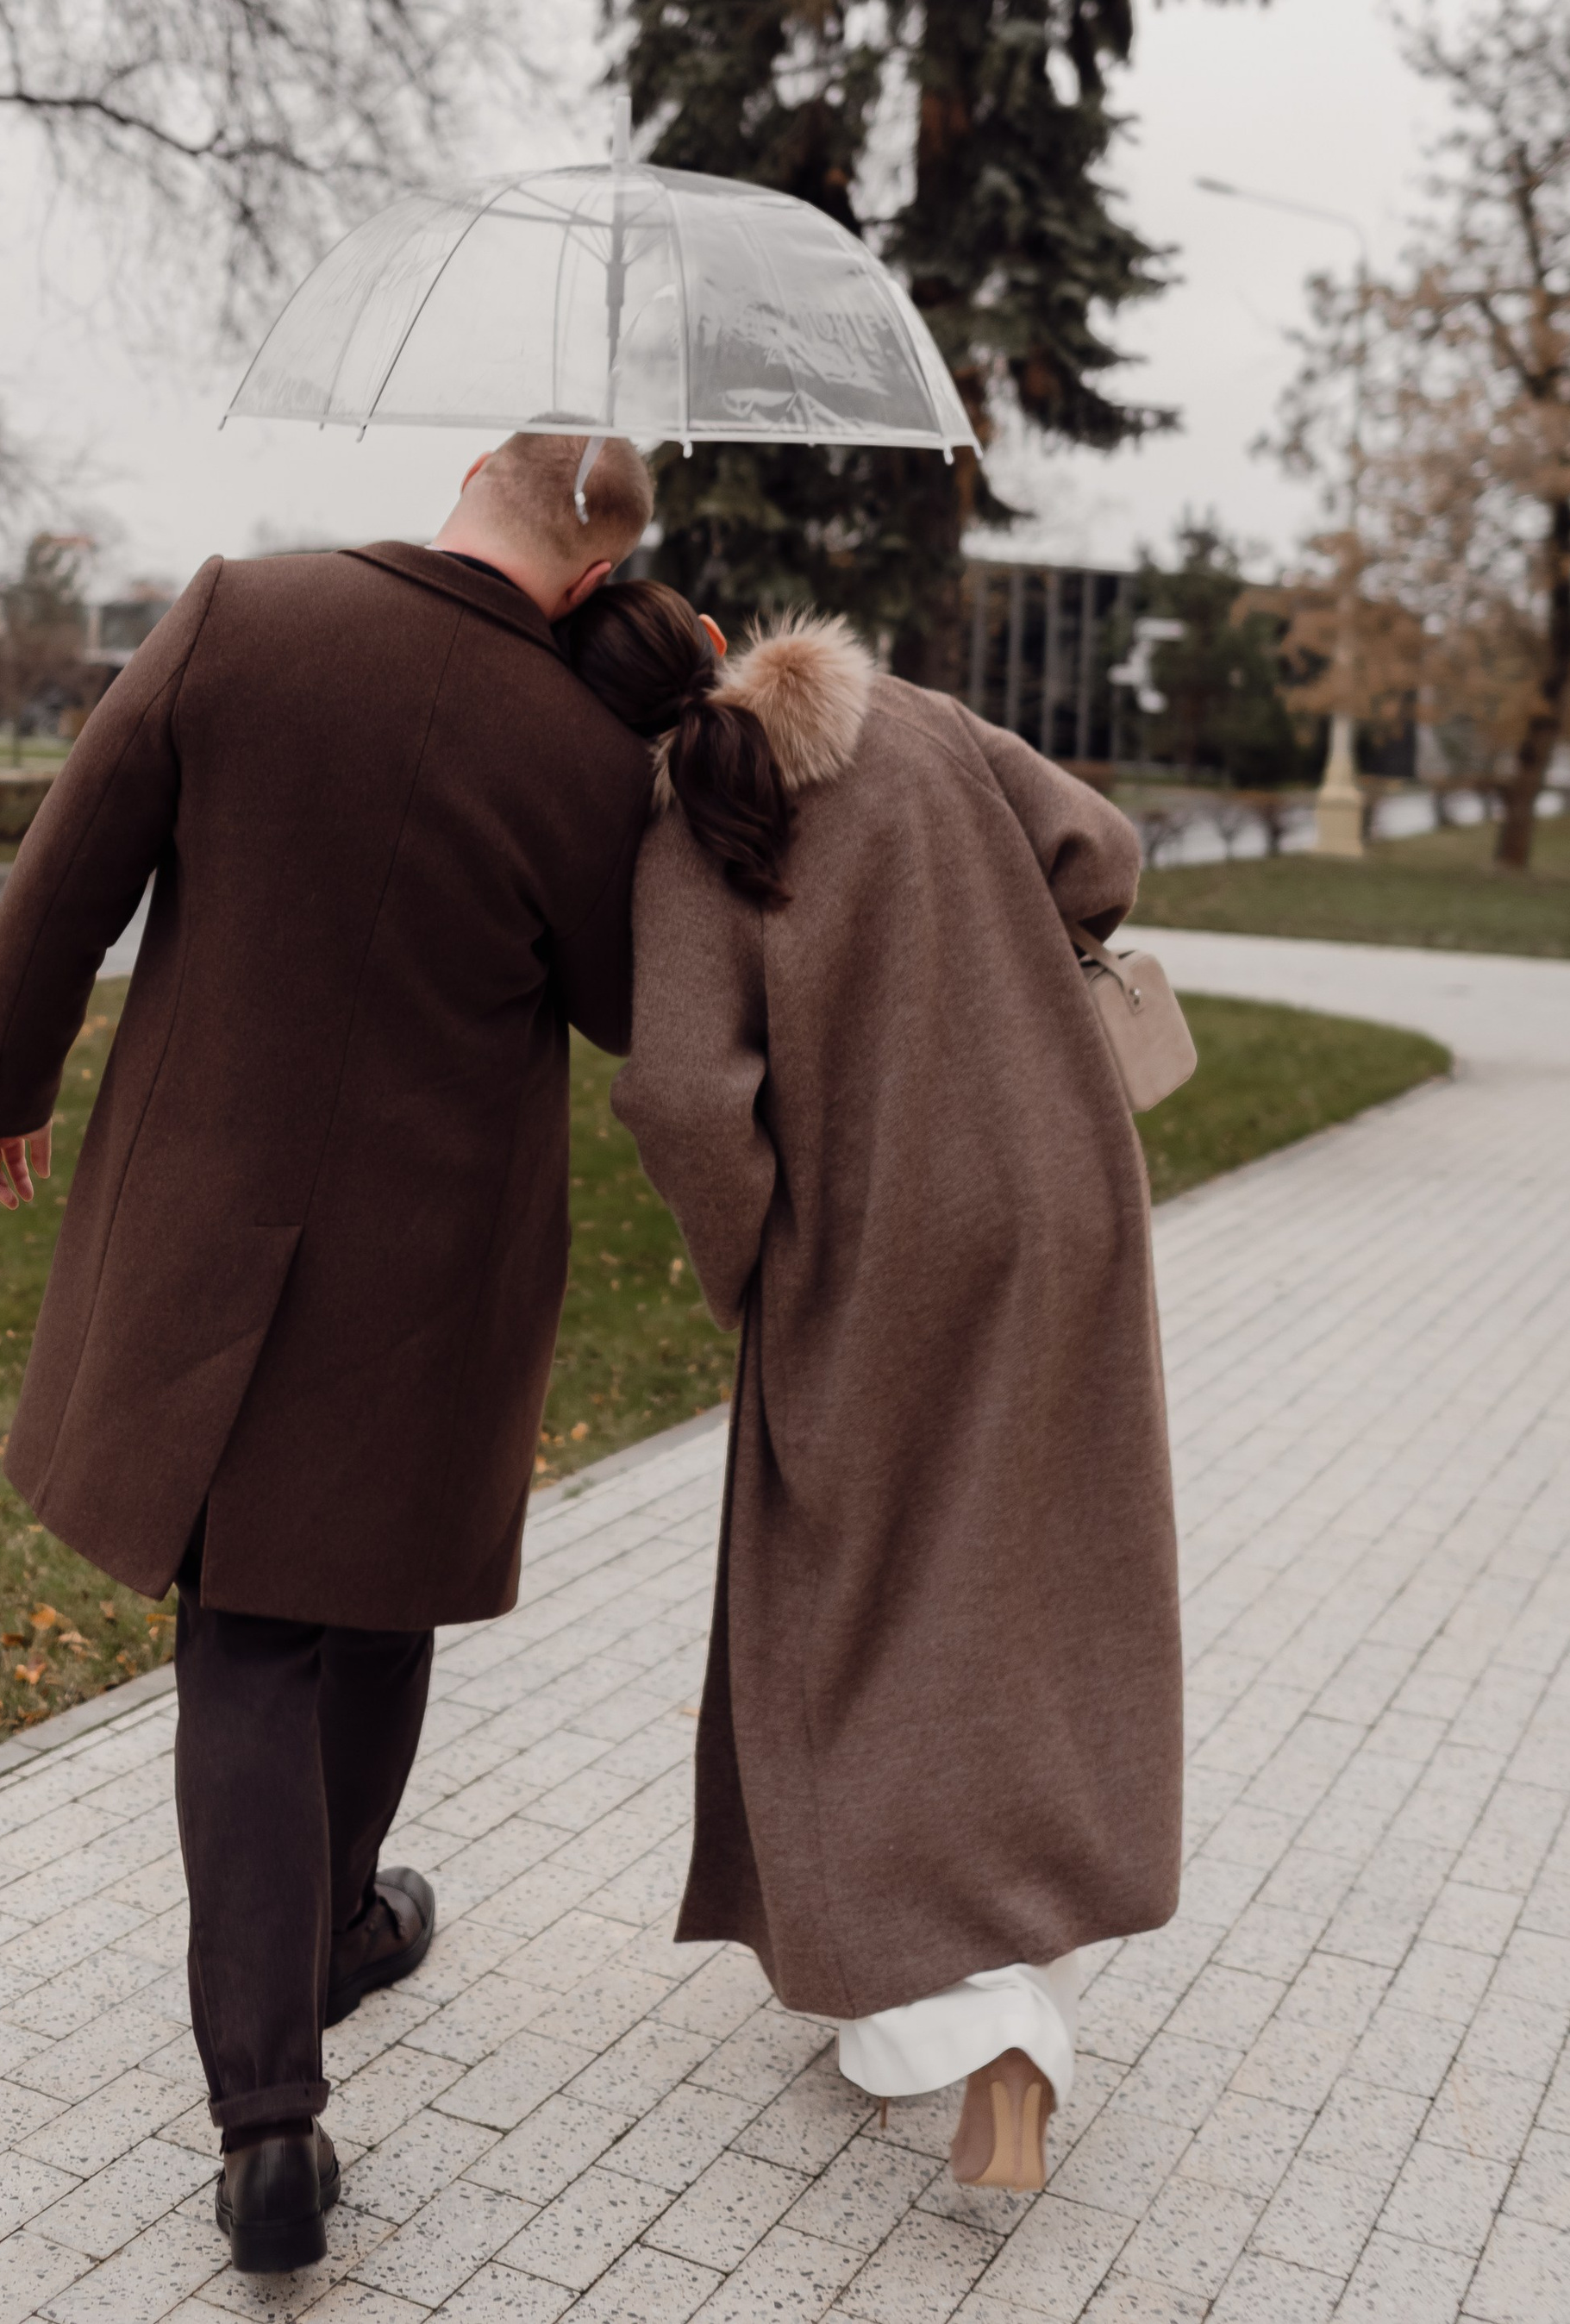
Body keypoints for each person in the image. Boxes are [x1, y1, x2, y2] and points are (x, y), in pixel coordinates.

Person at [0, 436, 657, 2274]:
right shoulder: (583, 752)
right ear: (594, 581)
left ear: (469, 483)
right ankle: (333, 1923)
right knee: (377, 1591)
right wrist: (647, 733)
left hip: (208, 1226)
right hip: (432, 1267)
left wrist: (1, 1083)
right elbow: (624, 1004)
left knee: (248, 1636)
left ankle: (272, 2115)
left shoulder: (238, 615)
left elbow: (73, 869)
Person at [563, 579, 1183, 2193]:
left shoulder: (688, 825)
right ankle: (1024, 1971)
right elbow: (1101, 853)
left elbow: (682, 1096)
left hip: (878, 1247)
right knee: (1037, 1588)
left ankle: (971, 2022)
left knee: (852, 1607)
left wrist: (752, 1266)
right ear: (727, 642)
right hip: (1065, 1196)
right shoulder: (918, 720)